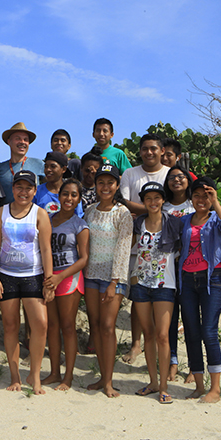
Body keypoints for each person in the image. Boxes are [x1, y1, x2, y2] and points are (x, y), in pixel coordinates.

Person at [0, 170, 54, 394]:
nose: (23, 192)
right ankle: (15, 375)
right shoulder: (1, 212)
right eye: (19, 187)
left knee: (40, 324)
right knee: (10, 326)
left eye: (28, 188)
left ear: (35, 191)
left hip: (33, 275)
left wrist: (48, 281)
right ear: (13, 188)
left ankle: (34, 374)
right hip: (6, 275)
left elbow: (46, 249)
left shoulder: (40, 214)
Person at [178, 177, 221, 403]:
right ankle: (199, 386)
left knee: (209, 332)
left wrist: (216, 202)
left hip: (212, 279)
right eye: (197, 195)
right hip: (187, 281)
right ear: (191, 198)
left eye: (206, 195)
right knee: (191, 332)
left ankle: (215, 389)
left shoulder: (216, 219)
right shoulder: (184, 220)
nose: (201, 199)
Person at [119, 132, 170, 364]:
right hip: (135, 247)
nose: (149, 152)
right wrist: (153, 210)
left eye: (153, 148)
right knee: (137, 299)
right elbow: (123, 204)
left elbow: (170, 207)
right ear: (139, 151)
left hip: (164, 250)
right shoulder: (130, 173)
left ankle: (161, 345)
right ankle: (136, 344)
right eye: (145, 149)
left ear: (162, 151)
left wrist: (140, 210)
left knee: (162, 300)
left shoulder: (170, 174)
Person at [83, 164, 133, 398]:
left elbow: (123, 249)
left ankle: (109, 381)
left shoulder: (123, 214)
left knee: (107, 326)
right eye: (101, 182)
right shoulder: (89, 211)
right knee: (95, 325)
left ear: (117, 185)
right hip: (91, 276)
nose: (105, 187)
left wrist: (114, 282)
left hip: (113, 278)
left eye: (110, 183)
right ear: (95, 185)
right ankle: (102, 377)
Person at [130, 182, 183, 404]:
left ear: (163, 200)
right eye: (148, 198)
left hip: (165, 285)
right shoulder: (138, 223)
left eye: (157, 198)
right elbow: (128, 247)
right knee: (148, 334)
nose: (153, 202)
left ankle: (164, 386)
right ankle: (152, 382)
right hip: (141, 283)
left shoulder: (175, 223)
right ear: (143, 201)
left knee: (162, 335)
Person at [42, 179, 89, 390]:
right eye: (65, 194)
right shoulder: (47, 219)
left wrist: (60, 278)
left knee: (68, 327)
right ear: (59, 196)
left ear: (79, 199)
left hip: (69, 277)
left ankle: (68, 377)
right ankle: (54, 372)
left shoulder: (80, 224)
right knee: (52, 326)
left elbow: (84, 258)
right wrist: (49, 278)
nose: (69, 198)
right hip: (49, 277)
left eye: (74, 195)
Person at [162, 163, 195, 382]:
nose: (176, 180)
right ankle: (172, 362)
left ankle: (194, 365)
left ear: (188, 180)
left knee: (191, 318)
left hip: (191, 268)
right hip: (167, 268)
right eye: (172, 177)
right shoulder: (162, 206)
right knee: (171, 319)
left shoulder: (195, 204)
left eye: (181, 176)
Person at [0, 122, 45, 205]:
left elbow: (50, 186)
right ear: (9, 141)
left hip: (32, 211)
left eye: (25, 139)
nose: (22, 142)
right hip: (6, 212)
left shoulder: (39, 164)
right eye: (18, 138)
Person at [33, 152, 83, 217]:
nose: (48, 169)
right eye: (46, 166)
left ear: (64, 169)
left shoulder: (72, 192)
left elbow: (78, 216)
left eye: (53, 166)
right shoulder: (37, 192)